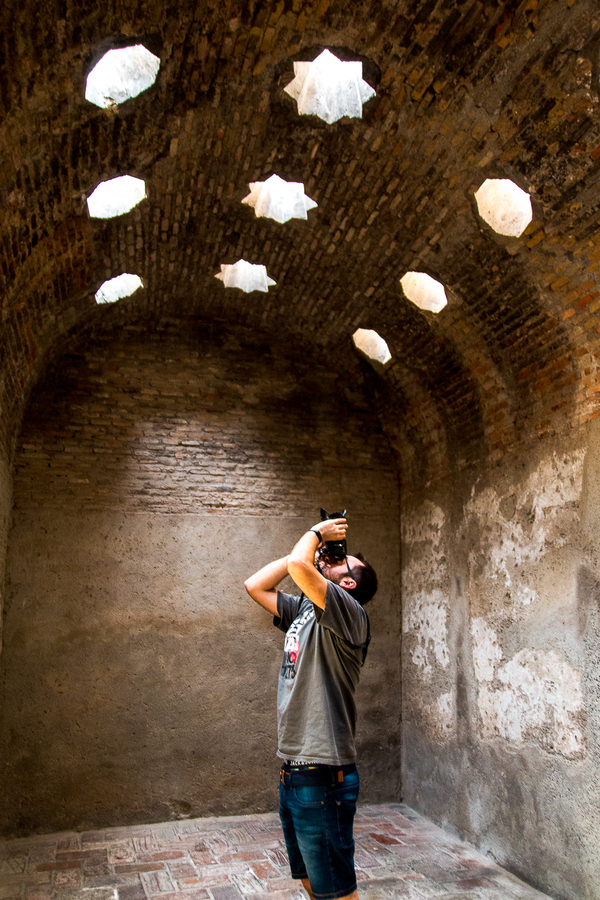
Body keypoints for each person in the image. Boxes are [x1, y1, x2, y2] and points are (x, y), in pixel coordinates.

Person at [244, 516, 378, 900]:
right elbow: (255, 585)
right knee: (310, 879)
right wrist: (309, 554)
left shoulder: (350, 613)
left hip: (323, 773)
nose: (329, 558)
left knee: (336, 891)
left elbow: (299, 567)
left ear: (347, 584)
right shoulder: (305, 608)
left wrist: (317, 536)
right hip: (295, 771)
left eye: (339, 561)